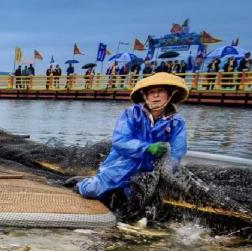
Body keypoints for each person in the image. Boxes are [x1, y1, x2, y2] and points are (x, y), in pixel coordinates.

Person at [73, 73, 188, 217]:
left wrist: (171, 169)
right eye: (152, 92)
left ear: (170, 94)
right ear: (145, 96)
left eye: (161, 91)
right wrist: (147, 148)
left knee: (137, 203)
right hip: (124, 163)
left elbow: (179, 149)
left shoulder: (177, 121)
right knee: (92, 191)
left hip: (150, 169)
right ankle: (81, 183)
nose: (156, 96)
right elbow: (120, 141)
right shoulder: (132, 114)